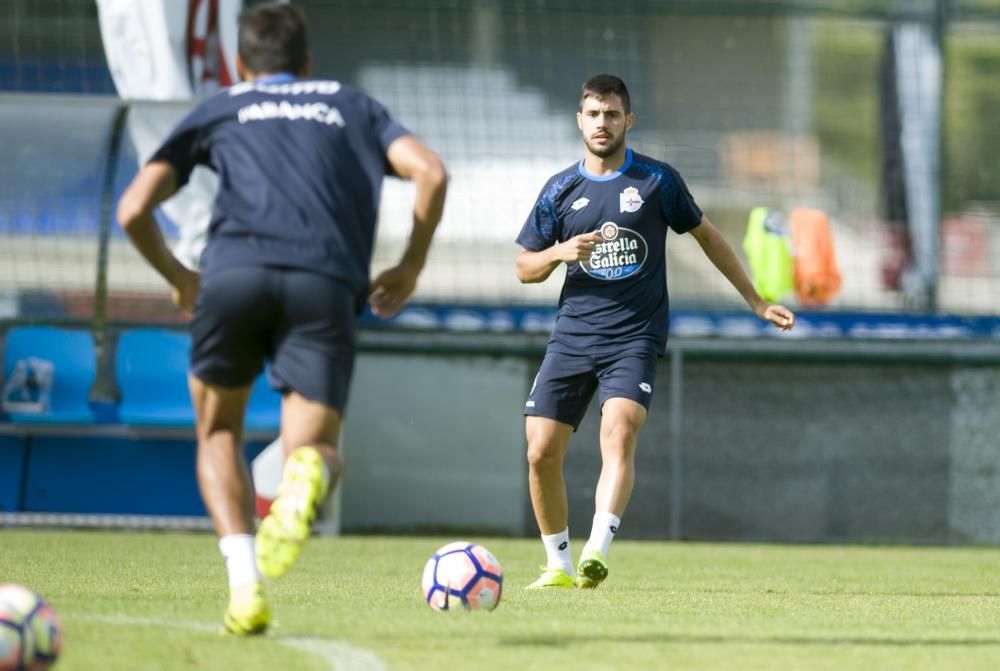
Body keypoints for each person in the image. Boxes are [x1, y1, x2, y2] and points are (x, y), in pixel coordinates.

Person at [116, 3, 447, 634]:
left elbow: (134, 209)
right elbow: (430, 171)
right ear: (307, 62)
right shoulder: (353, 105)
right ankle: (307, 474)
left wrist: (181, 278)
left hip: (231, 277)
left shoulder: (224, 105)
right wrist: (409, 265)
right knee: (315, 448)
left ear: (242, 64)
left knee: (219, 434)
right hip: (325, 282)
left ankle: (245, 586)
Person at [515, 74, 794, 590]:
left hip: (633, 337)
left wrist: (755, 301)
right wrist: (558, 253)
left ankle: (596, 551)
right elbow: (524, 268)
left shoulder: (657, 181)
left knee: (618, 430)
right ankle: (558, 563)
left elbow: (709, 238)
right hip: (572, 336)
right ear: (580, 120)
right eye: (593, 114)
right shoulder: (559, 189)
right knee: (539, 451)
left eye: (612, 114)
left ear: (629, 121)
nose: (602, 124)